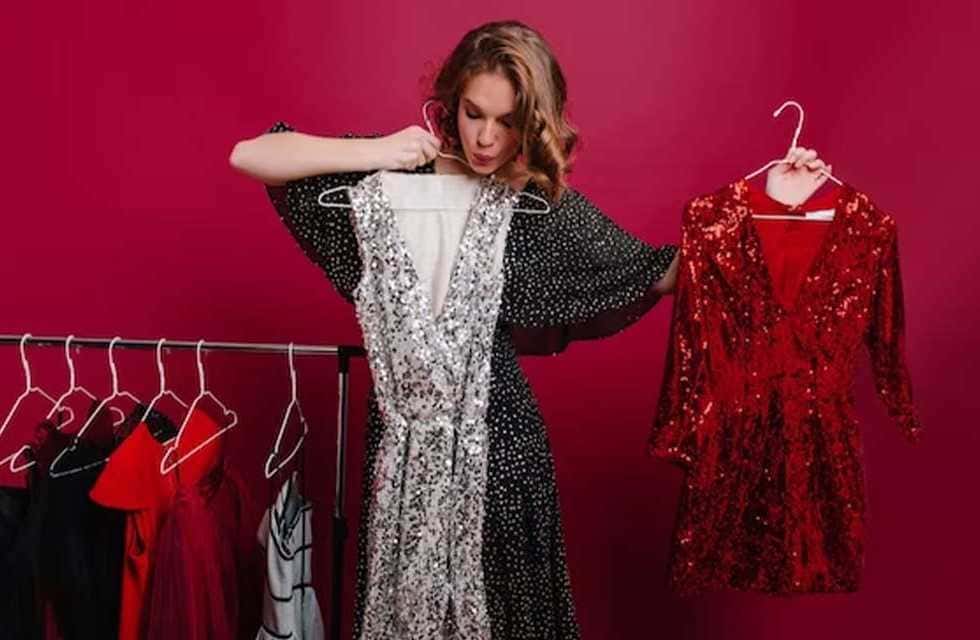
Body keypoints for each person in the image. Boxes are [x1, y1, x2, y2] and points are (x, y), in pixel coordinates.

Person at [230, 20, 830, 639]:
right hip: (401, 459)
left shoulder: (535, 207)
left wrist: (776, 205)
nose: (487, 137)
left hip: (502, 454)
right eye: (474, 113)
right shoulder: (387, 185)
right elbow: (251, 156)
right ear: (450, 102)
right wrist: (379, 152)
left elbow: (664, 272)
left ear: (532, 123)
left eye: (508, 121)